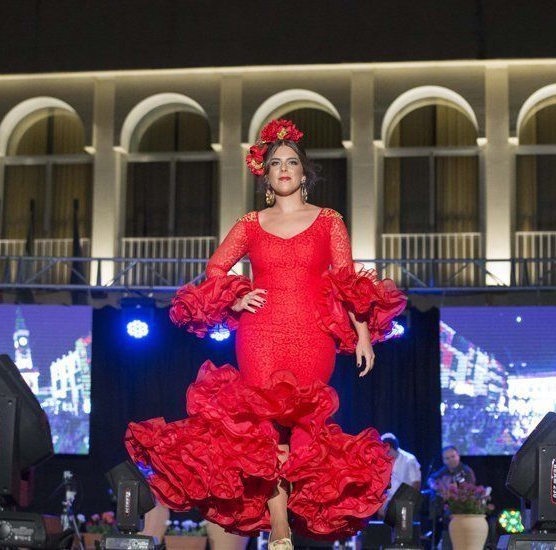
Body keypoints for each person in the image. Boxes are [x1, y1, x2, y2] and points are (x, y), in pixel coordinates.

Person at [126, 118, 406, 548]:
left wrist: (363, 334)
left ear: (303, 173)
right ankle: (278, 527)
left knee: (303, 427)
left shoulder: (329, 220)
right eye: (276, 163)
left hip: (312, 334)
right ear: (267, 175)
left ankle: (292, 515)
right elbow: (215, 268)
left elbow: (347, 281)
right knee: (265, 430)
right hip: (261, 333)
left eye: (292, 162)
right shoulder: (252, 224)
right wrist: (236, 300)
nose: (285, 168)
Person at [378, 433, 421, 517]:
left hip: (405, 501)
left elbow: (416, 483)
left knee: (402, 528)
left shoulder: (409, 459)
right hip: (389, 501)